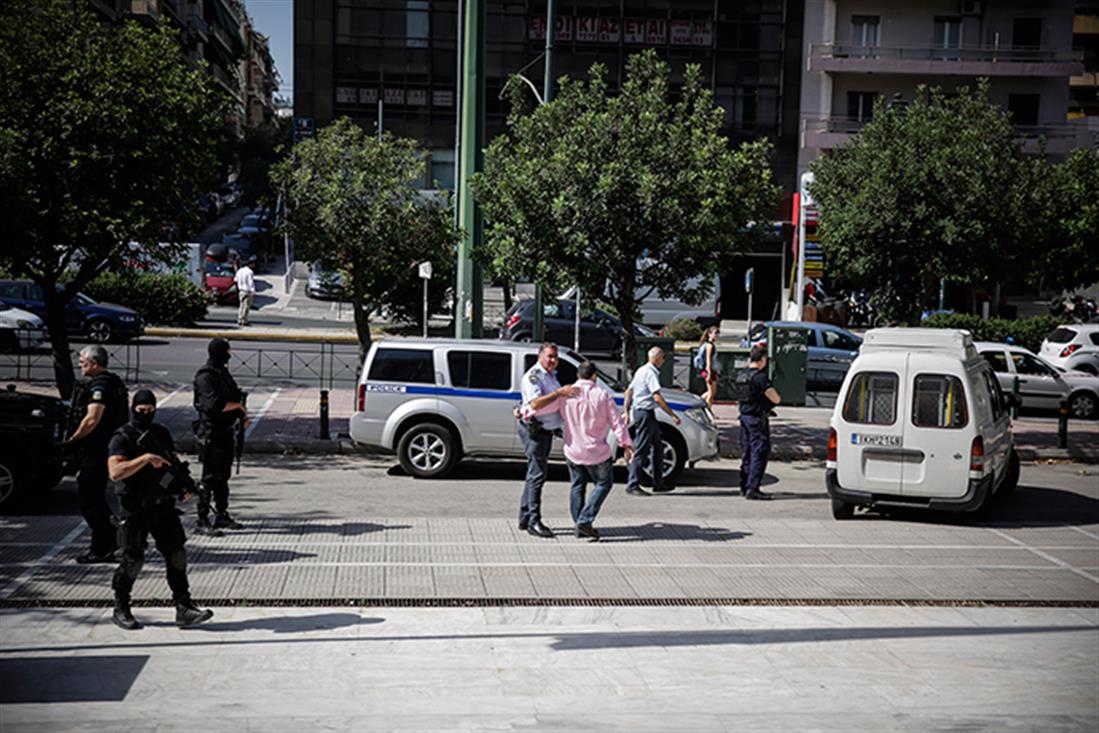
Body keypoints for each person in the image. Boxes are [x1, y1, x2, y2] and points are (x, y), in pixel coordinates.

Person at [107, 390, 214, 630]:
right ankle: (121, 607)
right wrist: (145, 459)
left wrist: (182, 487)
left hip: (162, 506)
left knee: (177, 554)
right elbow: (115, 472)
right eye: (141, 410)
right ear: (133, 408)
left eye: (150, 410)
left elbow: (170, 465)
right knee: (133, 560)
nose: (146, 414)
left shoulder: (160, 433)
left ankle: (183, 607)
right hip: (134, 508)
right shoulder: (122, 437)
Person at [65, 345, 129, 564]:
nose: (80, 364)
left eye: (83, 361)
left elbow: (92, 419)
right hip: (107, 448)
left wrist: (73, 440)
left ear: (94, 363)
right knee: (96, 498)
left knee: (91, 500)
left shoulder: (100, 386)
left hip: (97, 450)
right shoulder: (113, 382)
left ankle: (102, 546)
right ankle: (111, 540)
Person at [559, 361, 633, 541]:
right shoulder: (602, 395)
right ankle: (584, 521)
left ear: (578, 375)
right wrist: (626, 444)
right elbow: (617, 422)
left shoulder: (566, 394)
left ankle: (579, 523)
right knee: (604, 484)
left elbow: (552, 411)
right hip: (596, 451)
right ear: (594, 376)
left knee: (577, 486)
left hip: (573, 449)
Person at [517, 343, 579, 538]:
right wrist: (558, 393)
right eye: (550, 357)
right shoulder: (534, 376)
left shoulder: (550, 375)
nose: (553, 361)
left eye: (555, 357)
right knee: (537, 475)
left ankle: (525, 516)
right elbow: (535, 403)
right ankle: (534, 521)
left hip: (546, 431)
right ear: (540, 357)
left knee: (534, 474)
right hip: (536, 431)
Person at [193, 338, 248, 534]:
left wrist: (241, 414)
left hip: (225, 432)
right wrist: (238, 407)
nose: (228, 355)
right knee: (209, 477)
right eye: (226, 351)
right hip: (210, 433)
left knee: (223, 476)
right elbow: (214, 404)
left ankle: (222, 515)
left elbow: (233, 396)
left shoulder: (221, 373)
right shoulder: (206, 376)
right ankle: (202, 519)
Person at [623, 346, 681, 496]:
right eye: (662, 358)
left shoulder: (641, 370)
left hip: (642, 412)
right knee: (642, 448)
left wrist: (627, 411)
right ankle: (633, 483)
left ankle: (658, 482)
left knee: (658, 446)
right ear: (656, 358)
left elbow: (629, 391)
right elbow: (657, 397)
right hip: (645, 413)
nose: (663, 361)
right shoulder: (650, 373)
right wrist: (672, 415)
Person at [738, 345, 782, 501]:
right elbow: (775, 398)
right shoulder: (760, 377)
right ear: (762, 359)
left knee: (747, 453)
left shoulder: (742, 375)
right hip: (757, 419)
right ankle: (753, 488)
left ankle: (744, 485)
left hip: (744, 417)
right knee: (759, 451)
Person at [698, 325, 720, 407]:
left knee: (712, 392)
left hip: (710, 371)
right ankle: (707, 410)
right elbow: (708, 360)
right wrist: (709, 373)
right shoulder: (710, 346)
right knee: (711, 394)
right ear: (709, 334)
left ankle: (699, 402)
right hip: (709, 371)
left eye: (717, 334)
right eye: (715, 334)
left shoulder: (707, 344)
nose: (716, 336)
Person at [234, 256, 256, 326]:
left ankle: (239, 319)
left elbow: (235, 280)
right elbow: (250, 282)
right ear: (250, 264)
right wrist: (253, 291)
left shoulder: (239, 271)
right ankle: (244, 320)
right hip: (247, 291)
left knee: (241, 305)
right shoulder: (250, 272)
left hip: (241, 290)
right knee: (246, 306)